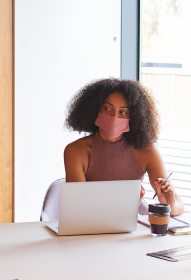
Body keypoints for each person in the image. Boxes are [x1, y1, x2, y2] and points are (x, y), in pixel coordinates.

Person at [63, 78, 184, 216]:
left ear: (133, 117)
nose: (114, 117)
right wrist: (122, 206)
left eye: (123, 112)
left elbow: (178, 204)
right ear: (95, 109)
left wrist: (170, 205)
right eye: (107, 108)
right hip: (89, 231)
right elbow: (78, 208)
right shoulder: (76, 151)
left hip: (129, 231)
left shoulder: (146, 150)